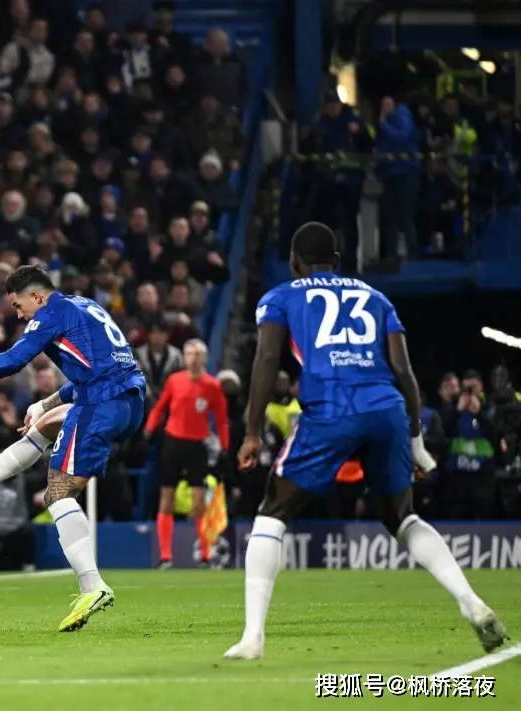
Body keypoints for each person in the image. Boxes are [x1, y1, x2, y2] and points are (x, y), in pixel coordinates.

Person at [224, 223, 506, 660]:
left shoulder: (281, 297)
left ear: (295, 263)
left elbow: (266, 358)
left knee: (273, 512)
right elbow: (404, 371)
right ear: (336, 261)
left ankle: (252, 638)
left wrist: (252, 432)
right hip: (386, 409)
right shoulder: (376, 298)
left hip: (331, 407)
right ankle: (471, 602)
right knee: (403, 518)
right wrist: (416, 442)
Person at [0, 265, 146, 632]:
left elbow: (14, 360)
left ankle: (92, 586)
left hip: (101, 404)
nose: (18, 314)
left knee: (56, 494)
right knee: (43, 426)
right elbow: (97, 371)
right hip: (129, 400)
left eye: (18, 305)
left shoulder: (50, 314)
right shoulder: (85, 305)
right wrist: (45, 403)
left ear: (37, 296)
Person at [143, 339, 229, 567]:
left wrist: (225, 447)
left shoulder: (212, 386)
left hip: (197, 446)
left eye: (197, 354)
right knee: (166, 498)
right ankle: (165, 556)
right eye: (189, 353)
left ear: (205, 358)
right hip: (173, 443)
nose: (193, 358)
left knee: (199, 501)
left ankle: (205, 554)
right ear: (184, 357)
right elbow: (160, 407)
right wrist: (149, 429)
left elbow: (221, 419)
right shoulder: (175, 380)